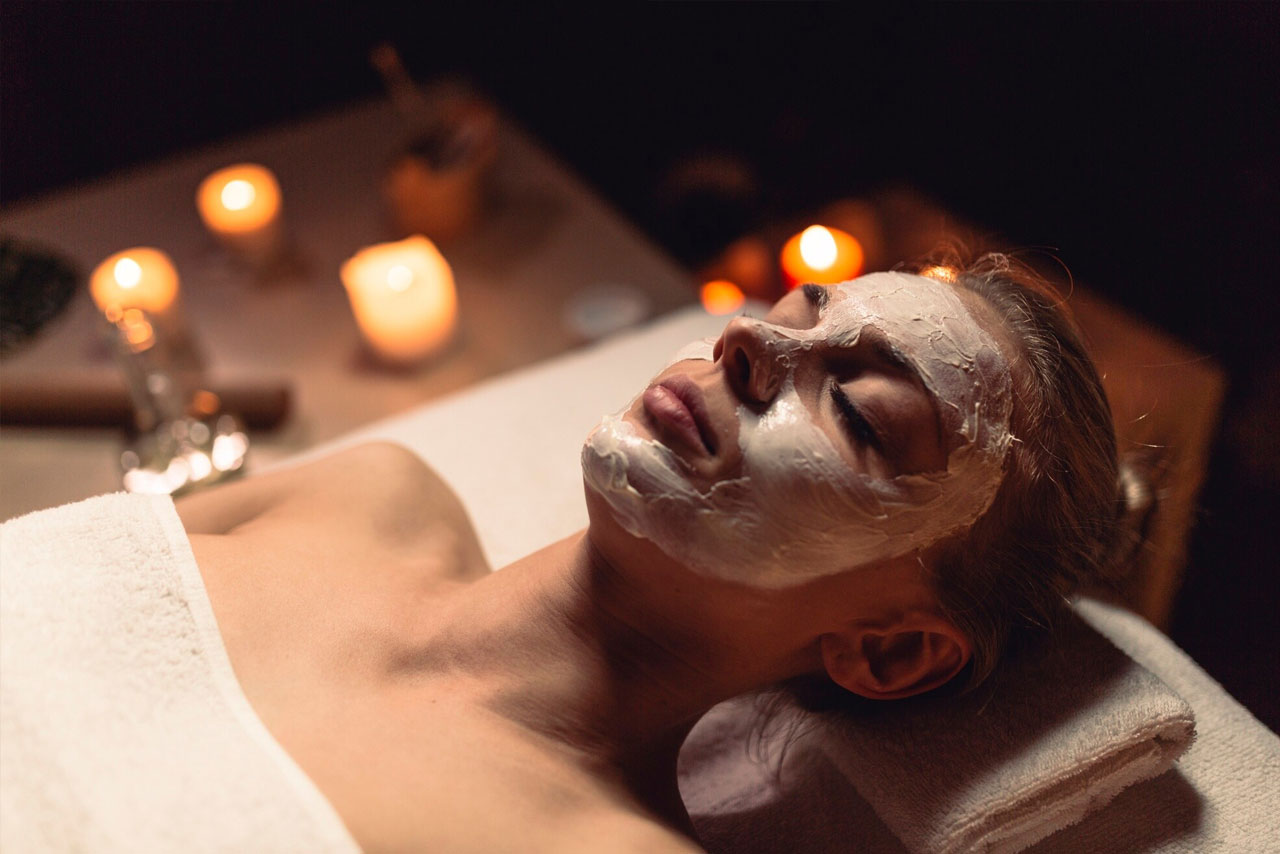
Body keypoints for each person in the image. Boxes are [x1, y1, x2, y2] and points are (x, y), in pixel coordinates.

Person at [174, 253, 1122, 853]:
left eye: (856, 412)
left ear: (890, 651)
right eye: (797, 315)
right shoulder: (368, 492)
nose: (745, 338)